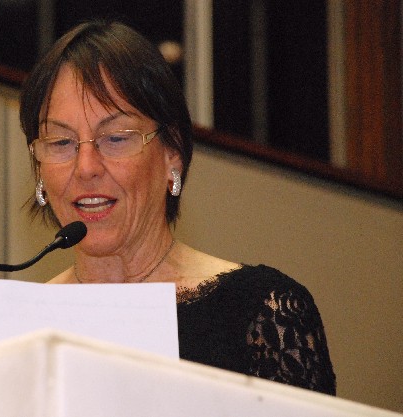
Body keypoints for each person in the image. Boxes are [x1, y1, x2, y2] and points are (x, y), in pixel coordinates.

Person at [19, 20, 336, 395]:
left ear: (172, 154)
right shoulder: (12, 334)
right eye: (60, 142)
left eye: (116, 138)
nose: (86, 167)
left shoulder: (261, 315)